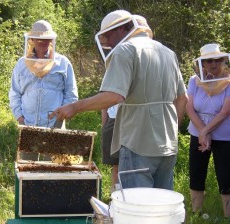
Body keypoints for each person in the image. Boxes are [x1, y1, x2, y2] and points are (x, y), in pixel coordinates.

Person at [50, 10, 187, 190]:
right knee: (161, 208)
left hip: (138, 142)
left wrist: (75, 107)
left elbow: (114, 96)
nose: (108, 42)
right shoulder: (168, 53)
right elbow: (183, 98)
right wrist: (170, 127)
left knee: (136, 207)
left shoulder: (126, 50)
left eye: (108, 35)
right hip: (168, 144)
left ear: (122, 29)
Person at [186, 43, 230, 218]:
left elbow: (226, 111)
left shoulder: (228, 82)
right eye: (209, 61)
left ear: (222, 61)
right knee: (196, 172)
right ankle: (196, 214)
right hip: (198, 132)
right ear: (202, 64)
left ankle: (228, 216)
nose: (213, 64)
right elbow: (190, 108)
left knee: (226, 176)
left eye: (217, 60)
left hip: (224, 135)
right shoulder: (193, 81)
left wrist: (206, 132)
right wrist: (202, 131)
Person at [9, 20, 78, 128]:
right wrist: (20, 118)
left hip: (55, 123)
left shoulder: (62, 62)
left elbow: (71, 93)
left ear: (51, 40)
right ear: (32, 39)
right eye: (39, 39)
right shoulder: (21, 64)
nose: (43, 42)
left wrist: (60, 118)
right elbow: (14, 93)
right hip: (28, 123)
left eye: (46, 39)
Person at [101, 104, 119, 191]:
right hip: (113, 119)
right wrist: (104, 124)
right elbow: (104, 102)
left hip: (133, 120)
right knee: (116, 164)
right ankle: (115, 195)